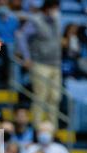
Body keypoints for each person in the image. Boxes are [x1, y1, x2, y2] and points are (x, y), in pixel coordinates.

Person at [16, 0, 61, 128]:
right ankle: (37, 127)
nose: (56, 11)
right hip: (40, 63)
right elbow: (21, 36)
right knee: (41, 97)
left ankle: (52, 128)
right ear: (47, 8)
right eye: (54, 8)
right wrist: (27, 57)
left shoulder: (57, 21)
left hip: (55, 64)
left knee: (55, 97)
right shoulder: (35, 20)